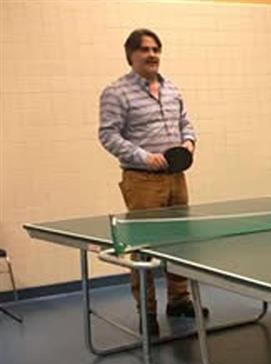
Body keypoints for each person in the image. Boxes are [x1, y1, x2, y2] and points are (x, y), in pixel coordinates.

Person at [98, 28, 206, 336]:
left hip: (176, 177)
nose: (152, 54)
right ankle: (146, 312)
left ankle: (179, 300)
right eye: (144, 49)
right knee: (143, 247)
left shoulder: (172, 88)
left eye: (156, 49)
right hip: (142, 179)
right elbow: (107, 135)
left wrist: (189, 142)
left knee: (179, 243)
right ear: (131, 55)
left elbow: (186, 122)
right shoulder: (116, 92)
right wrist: (144, 156)